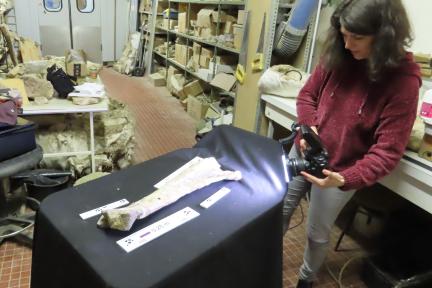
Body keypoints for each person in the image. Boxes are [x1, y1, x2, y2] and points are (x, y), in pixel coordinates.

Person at [282, 0, 421, 287]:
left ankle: (305, 280)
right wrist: (309, 127)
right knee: (281, 208)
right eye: (343, 34)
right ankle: (265, 258)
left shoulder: (402, 82)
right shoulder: (339, 54)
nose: (347, 45)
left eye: (357, 37)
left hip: (340, 169)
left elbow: (387, 152)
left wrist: (346, 178)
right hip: (306, 148)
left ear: (385, 36)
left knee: (316, 233)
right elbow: (307, 96)